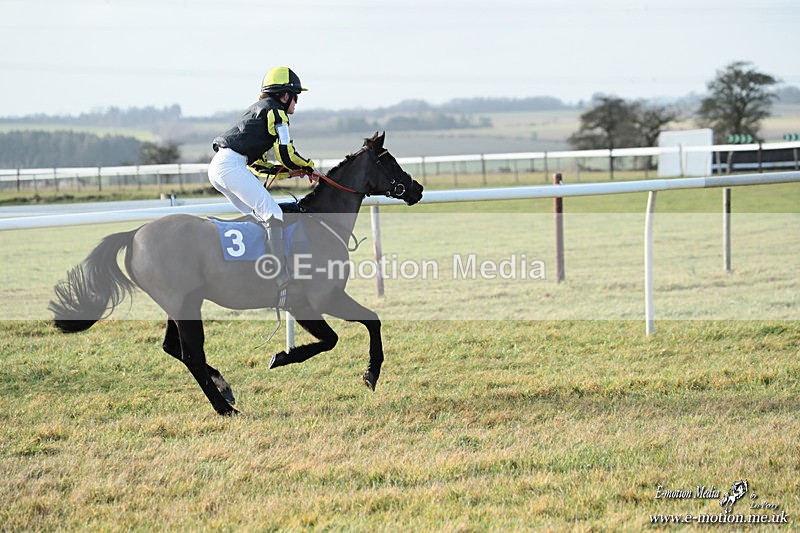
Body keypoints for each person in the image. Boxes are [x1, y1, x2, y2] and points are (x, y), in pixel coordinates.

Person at [208, 66, 321, 296]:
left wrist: (291, 173)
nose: (296, 104)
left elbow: (258, 165)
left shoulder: (258, 110)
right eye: (296, 97)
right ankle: (280, 276)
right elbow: (286, 153)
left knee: (257, 218)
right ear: (285, 95)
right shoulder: (278, 114)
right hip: (230, 166)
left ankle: (251, 272)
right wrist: (308, 166)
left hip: (222, 166)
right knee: (273, 214)